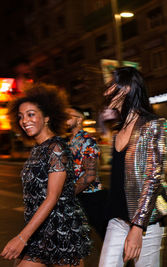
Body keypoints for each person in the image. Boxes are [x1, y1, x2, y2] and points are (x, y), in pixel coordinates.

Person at [1, 83, 90, 266]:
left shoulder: (56, 148)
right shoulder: (38, 149)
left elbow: (52, 197)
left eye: (31, 114)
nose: (24, 120)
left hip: (61, 232)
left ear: (47, 117)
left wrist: (22, 237)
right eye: (20, 116)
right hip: (40, 232)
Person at [99, 67, 167, 267]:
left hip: (145, 223)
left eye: (110, 86)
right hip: (117, 220)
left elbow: (153, 178)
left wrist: (138, 227)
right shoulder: (118, 130)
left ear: (126, 88)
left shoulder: (155, 124)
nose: (106, 92)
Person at [66, 106, 107, 239]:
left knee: (106, 237)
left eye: (68, 116)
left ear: (79, 120)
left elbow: (90, 175)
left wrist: (67, 194)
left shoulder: (88, 141)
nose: (64, 119)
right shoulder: (67, 142)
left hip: (91, 197)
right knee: (75, 242)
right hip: (76, 197)